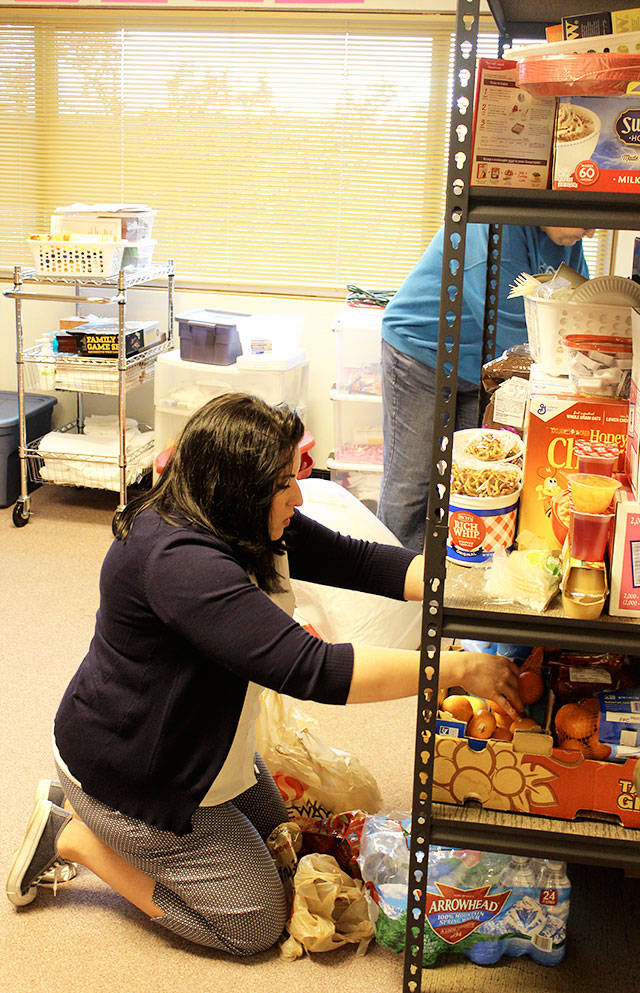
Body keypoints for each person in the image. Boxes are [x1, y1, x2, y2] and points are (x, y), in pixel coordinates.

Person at [6, 393, 523, 956]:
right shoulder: (183, 563)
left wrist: (478, 591)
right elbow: (316, 670)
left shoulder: (237, 518)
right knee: (255, 924)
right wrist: (459, 667)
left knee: (284, 844)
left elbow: (359, 560)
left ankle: (98, 823)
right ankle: (75, 835)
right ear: (238, 488)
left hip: (191, 738)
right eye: (284, 483)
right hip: (132, 773)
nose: (298, 495)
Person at [377, 223, 595, 552]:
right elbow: (511, 336)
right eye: (586, 220)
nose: (591, 232)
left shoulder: (567, 235)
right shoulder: (499, 228)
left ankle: (446, 580)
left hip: (477, 365)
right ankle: (396, 592)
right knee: (413, 487)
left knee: (468, 481)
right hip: (421, 352)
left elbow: (579, 307)